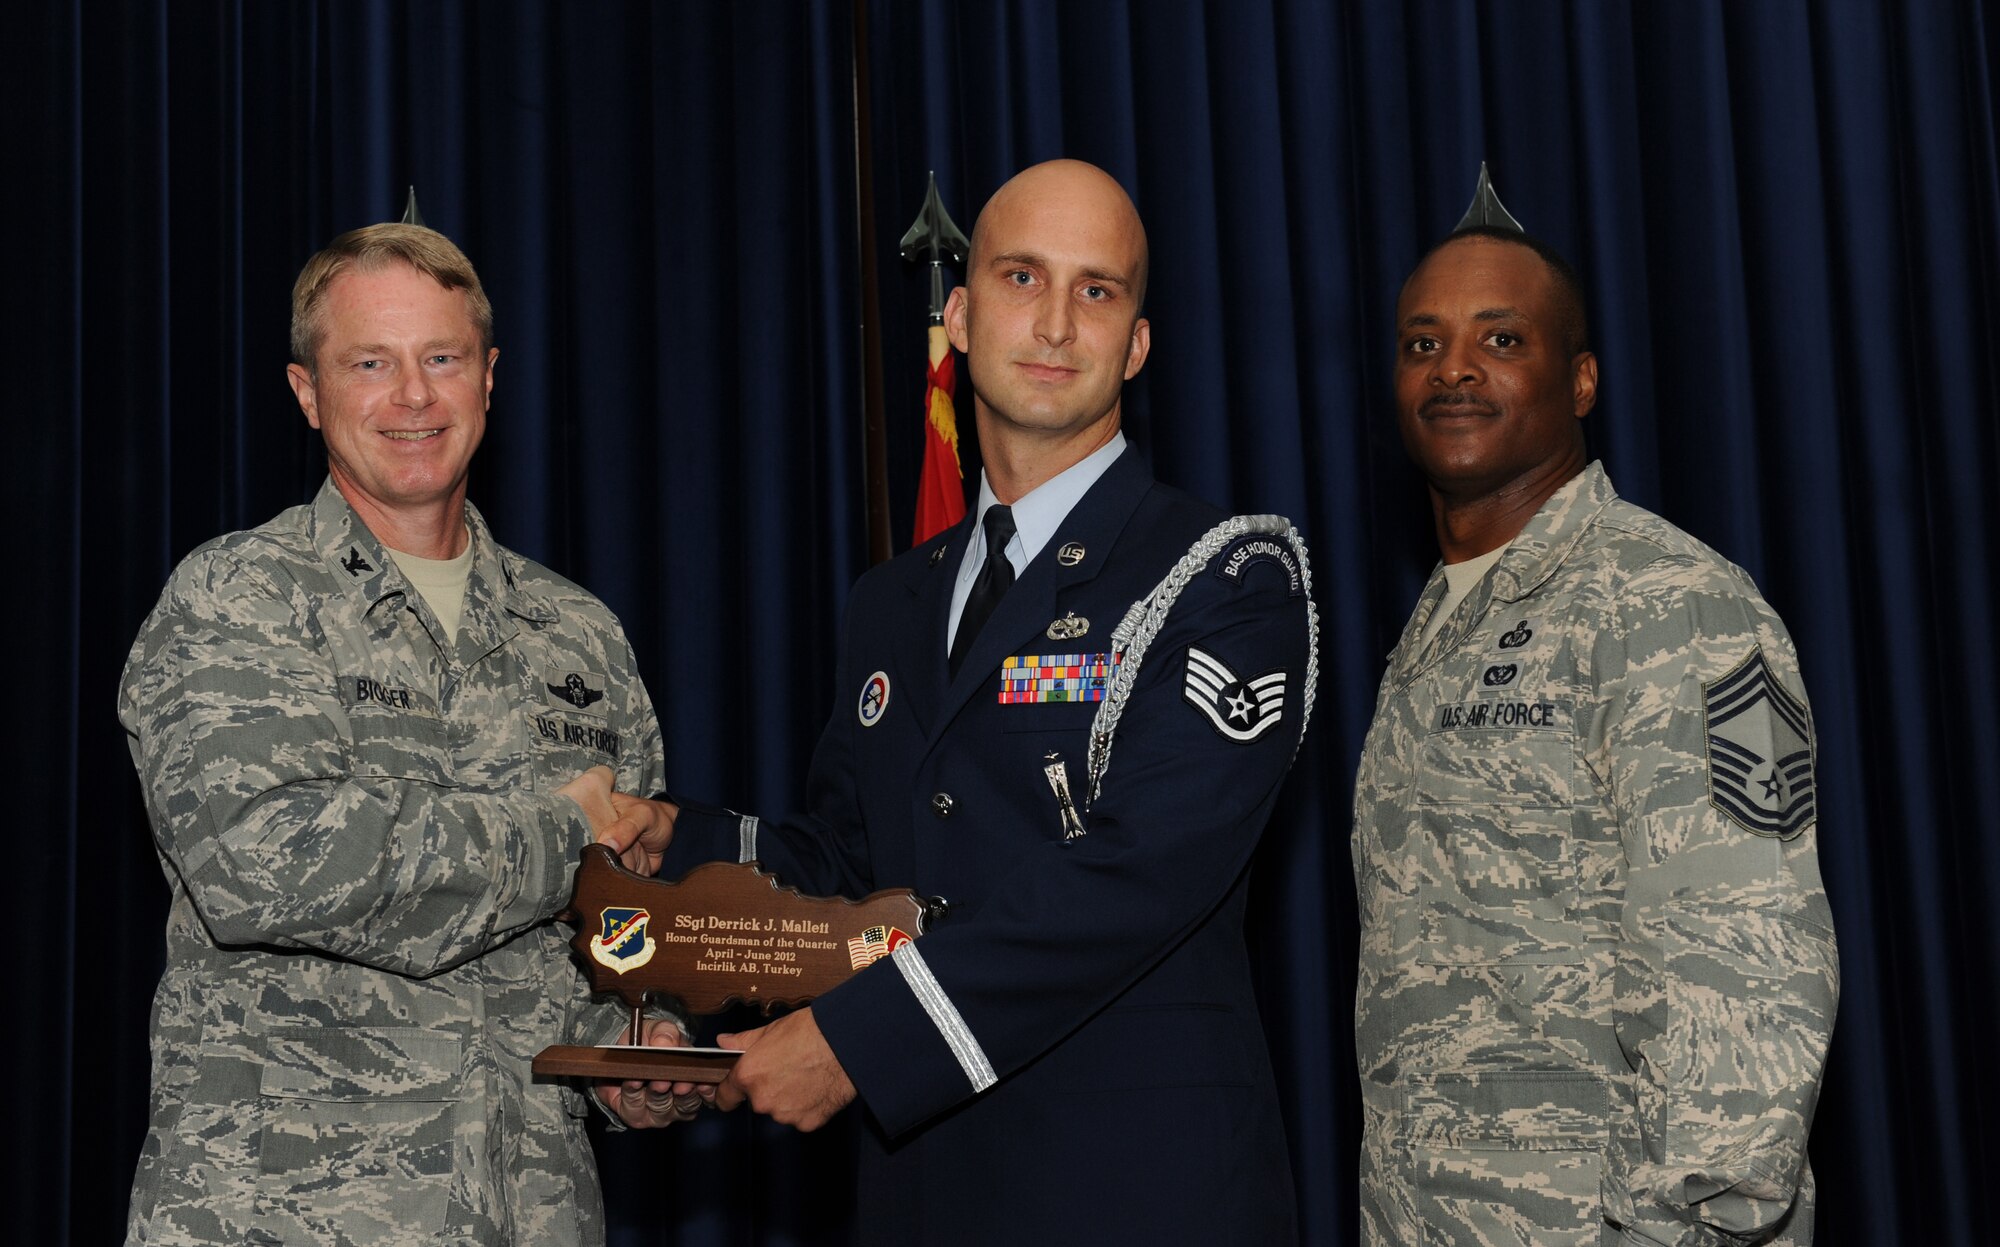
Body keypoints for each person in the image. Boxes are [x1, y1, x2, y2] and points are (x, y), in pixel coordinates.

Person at [627, 159, 1318, 1243]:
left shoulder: (1223, 576)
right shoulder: (892, 599)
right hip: (926, 1188)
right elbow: (856, 864)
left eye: (1096, 290)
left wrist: (860, 1042)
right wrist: (681, 843)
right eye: (1020, 277)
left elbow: (1137, 874)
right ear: (957, 316)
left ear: (1137, 343)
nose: (1055, 322)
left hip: (1136, 1190)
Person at [120, 221, 692, 1247]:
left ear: (489, 377)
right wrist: (561, 831)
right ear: (307, 392)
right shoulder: (238, 598)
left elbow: (608, 929)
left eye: (442, 359)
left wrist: (628, 1050)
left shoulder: (579, 635)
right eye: (370, 364)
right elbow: (267, 867)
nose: (414, 396)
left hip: (531, 1212)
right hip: (284, 1216)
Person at [1353, 200, 1839, 1245]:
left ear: (1579, 380)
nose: (1453, 368)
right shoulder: (1438, 627)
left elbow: (1744, 957)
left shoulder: (1671, 602)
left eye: (1500, 339)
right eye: (1422, 344)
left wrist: (1688, 1222)